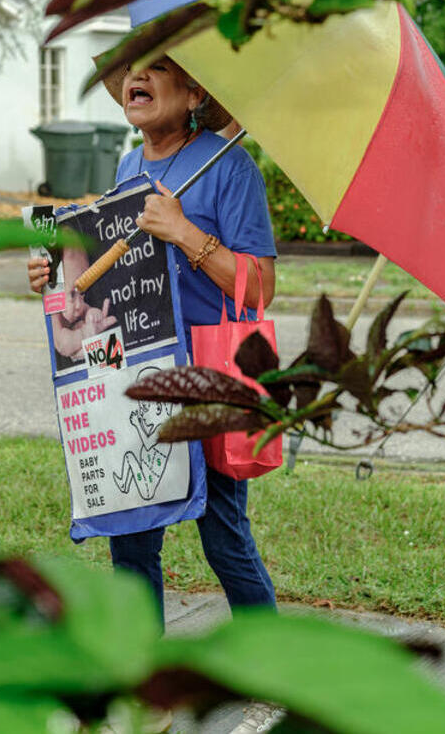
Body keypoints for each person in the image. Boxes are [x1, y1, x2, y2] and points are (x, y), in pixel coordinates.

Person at [27, 56, 284, 733]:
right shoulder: (125, 170)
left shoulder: (228, 166)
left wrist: (188, 235)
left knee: (223, 533)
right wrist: (55, 278)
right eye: (128, 74)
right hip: (132, 374)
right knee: (132, 536)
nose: (134, 81)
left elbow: (259, 289)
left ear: (195, 89)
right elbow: (107, 285)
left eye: (156, 70)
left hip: (205, 375)